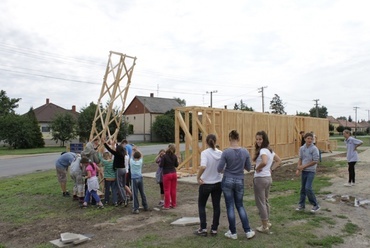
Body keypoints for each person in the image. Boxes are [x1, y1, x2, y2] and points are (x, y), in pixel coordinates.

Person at [217, 130, 255, 240]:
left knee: (230, 206)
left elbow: (219, 169)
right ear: (238, 139)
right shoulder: (245, 152)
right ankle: (248, 231)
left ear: (229, 139)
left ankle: (233, 232)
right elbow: (248, 168)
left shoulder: (226, 152)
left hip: (228, 179)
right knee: (240, 205)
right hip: (239, 180)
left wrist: (226, 170)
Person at [194, 134, 222, 237]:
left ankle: (203, 228)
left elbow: (203, 166)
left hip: (205, 183)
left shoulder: (205, 153)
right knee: (216, 206)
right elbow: (223, 168)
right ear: (216, 141)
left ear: (206, 142)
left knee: (201, 205)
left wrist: (198, 177)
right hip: (218, 183)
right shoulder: (220, 153)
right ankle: (214, 229)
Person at [253, 131, 281, 234]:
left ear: (264, 139)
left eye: (260, 139)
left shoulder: (263, 151)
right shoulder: (270, 150)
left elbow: (264, 162)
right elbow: (278, 160)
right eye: (257, 139)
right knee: (265, 201)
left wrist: (257, 168)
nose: (258, 141)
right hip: (268, 178)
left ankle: (264, 226)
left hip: (260, 179)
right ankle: (267, 222)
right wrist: (271, 169)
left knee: (261, 203)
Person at [296, 132, 320, 212]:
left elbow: (315, 161)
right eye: (308, 138)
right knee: (303, 188)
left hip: (311, 171)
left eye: (311, 139)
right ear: (305, 139)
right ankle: (301, 205)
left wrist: (304, 166)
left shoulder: (314, 149)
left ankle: (315, 204)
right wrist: (298, 168)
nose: (310, 140)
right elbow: (300, 159)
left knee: (308, 188)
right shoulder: (302, 148)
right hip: (304, 171)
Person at [103, 139, 129, 206]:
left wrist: (104, 143)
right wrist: (116, 143)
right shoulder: (123, 154)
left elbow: (109, 150)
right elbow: (119, 148)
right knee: (122, 185)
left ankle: (124, 199)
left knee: (119, 186)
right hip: (124, 170)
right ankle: (122, 198)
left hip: (119, 170)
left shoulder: (117, 154)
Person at [159, 144, 179, 210]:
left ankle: (167, 205)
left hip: (166, 174)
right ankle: (173, 204)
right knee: (173, 190)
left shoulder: (164, 156)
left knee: (167, 190)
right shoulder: (175, 156)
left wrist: (161, 158)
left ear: (168, 148)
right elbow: (176, 165)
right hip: (174, 173)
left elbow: (161, 165)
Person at [130, 147, 149, 214]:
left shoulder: (132, 162)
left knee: (135, 193)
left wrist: (133, 150)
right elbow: (142, 155)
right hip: (140, 178)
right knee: (142, 192)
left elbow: (131, 156)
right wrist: (137, 149)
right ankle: (145, 206)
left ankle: (136, 208)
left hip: (134, 179)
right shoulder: (140, 162)